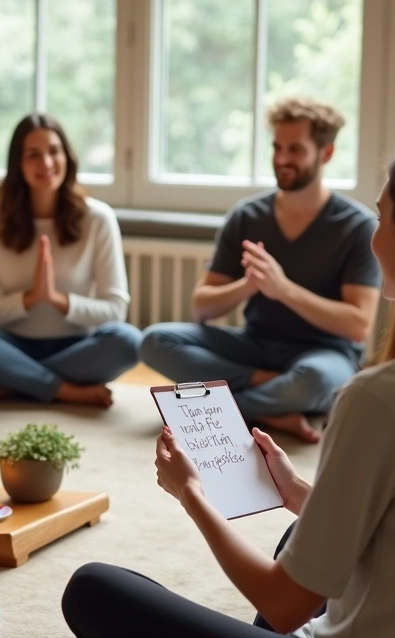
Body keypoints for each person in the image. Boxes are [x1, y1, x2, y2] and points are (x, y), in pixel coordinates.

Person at [62, 134, 395, 638]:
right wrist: (297, 494)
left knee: (91, 589)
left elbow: (284, 606)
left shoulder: (384, 398)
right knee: (304, 531)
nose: (371, 236)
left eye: (380, 217)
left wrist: (192, 494)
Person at [138, 97, 380, 443]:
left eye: (295, 149)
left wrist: (283, 289)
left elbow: (358, 325)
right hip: (256, 344)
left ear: (325, 154)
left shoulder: (357, 227)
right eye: (277, 147)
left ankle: (210, 410)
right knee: (154, 340)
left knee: (314, 380)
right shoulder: (246, 216)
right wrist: (247, 286)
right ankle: (267, 398)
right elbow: (202, 308)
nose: (281, 159)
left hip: (323, 354)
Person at [0, 113, 140, 407]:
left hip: (78, 346)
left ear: (68, 157)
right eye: (33, 155)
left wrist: (56, 299)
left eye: (54, 151)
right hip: (13, 345)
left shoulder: (98, 218)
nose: (47, 164)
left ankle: (18, 384)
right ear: (17, 163)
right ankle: (65, 390)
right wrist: (29, 299)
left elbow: (116, 310)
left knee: (128, 341)